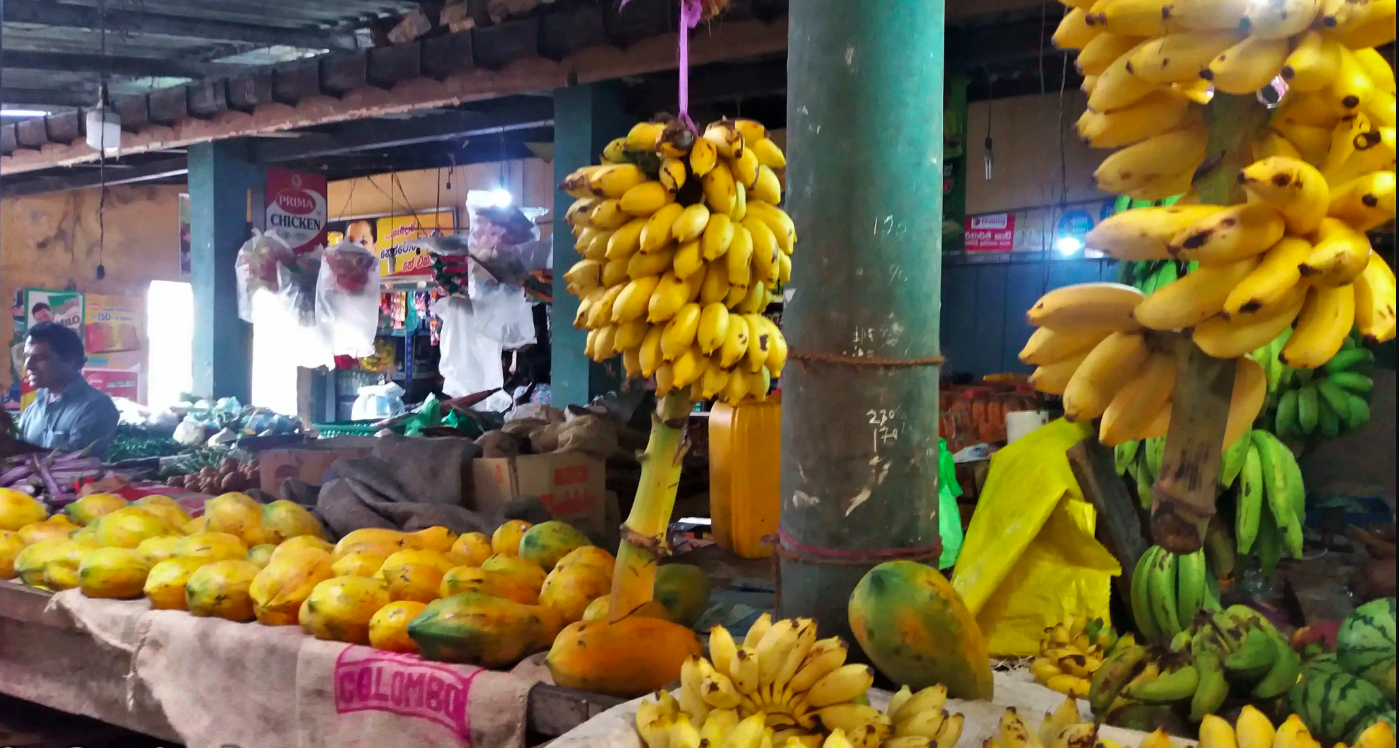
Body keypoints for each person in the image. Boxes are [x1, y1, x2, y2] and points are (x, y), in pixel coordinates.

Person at [14, 322, 120, 456]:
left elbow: (73, 461)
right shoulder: (33, 409)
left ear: (71, 360)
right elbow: (17, 460)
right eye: (26, 357)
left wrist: (15, 448)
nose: (28, 365)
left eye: (39, 358)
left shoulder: (98, 407)